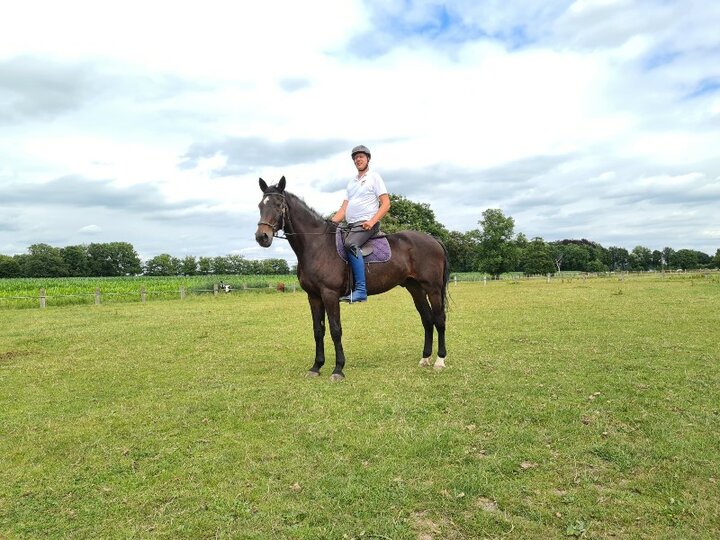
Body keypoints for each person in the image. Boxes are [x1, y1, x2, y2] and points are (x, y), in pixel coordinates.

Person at [331, 145, 391, 303]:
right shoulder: (351, 183)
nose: (358, 159)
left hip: (367, 223)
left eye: (361, 157)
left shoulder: (374, 177)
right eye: (355, 157)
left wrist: (372, 221)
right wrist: (329, 225)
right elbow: (343, 209)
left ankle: (361, 290)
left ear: (368, 159)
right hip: (351, 225)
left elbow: (386, 203)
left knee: (350, 243)